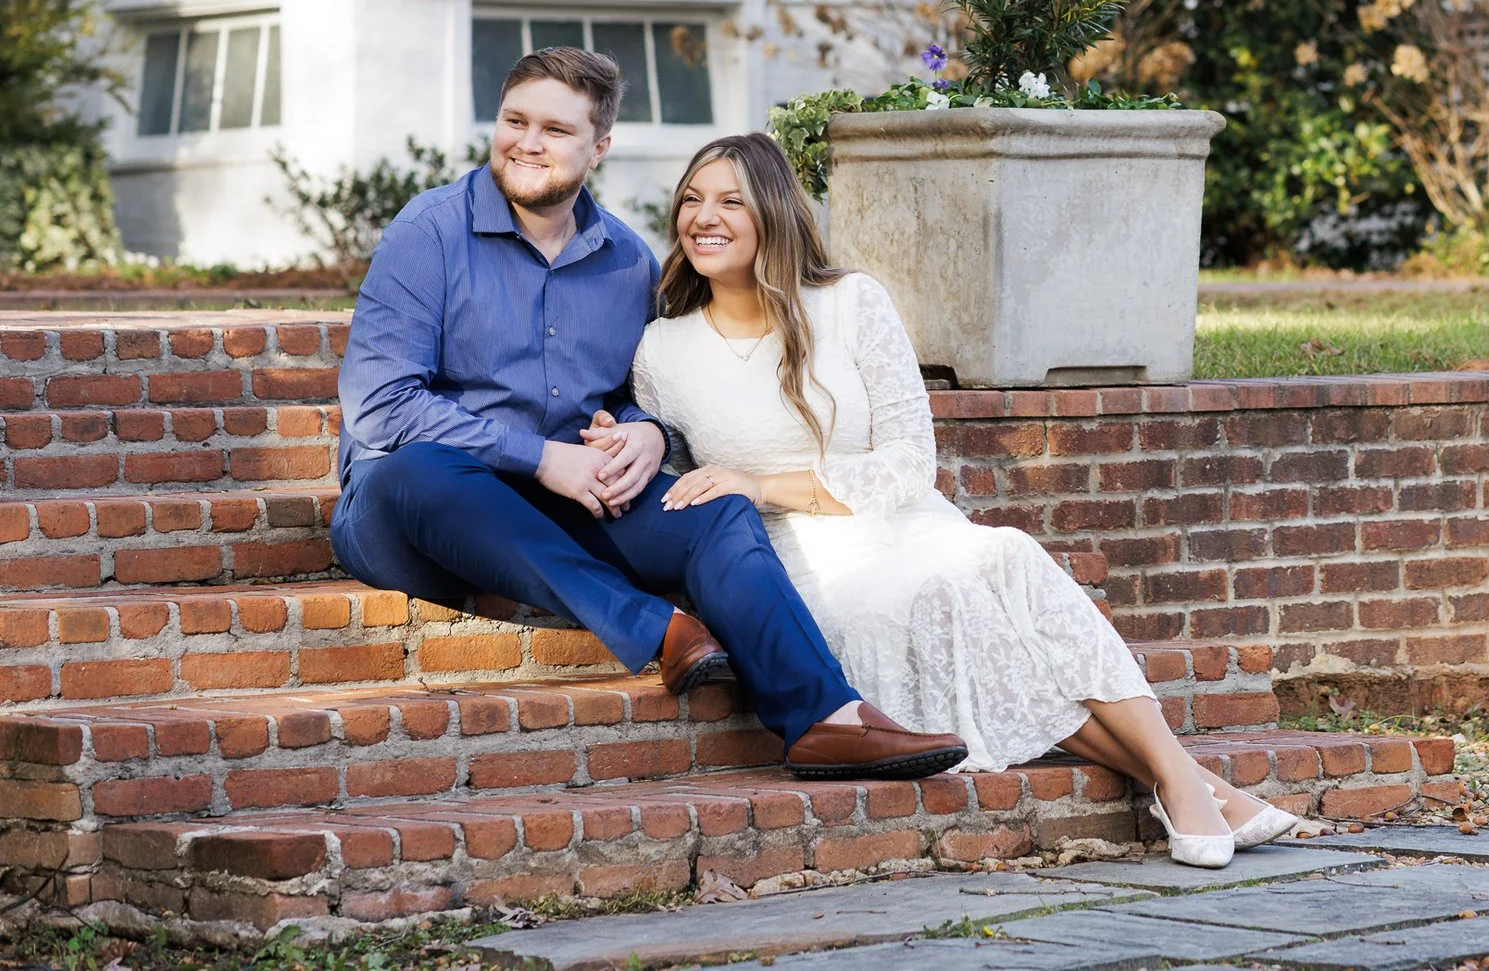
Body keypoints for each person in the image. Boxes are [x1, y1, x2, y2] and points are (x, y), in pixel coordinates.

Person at [629, 132, 1301, 869]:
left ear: (774, 211)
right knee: (957, 593)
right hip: (801, 559)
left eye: (730, 199)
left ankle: (1177, 777)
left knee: (1004, 550)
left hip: (905, 520)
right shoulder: (663, 350)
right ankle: (1191, 781)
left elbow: (912, 461)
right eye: (692, 199)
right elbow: (676, 477)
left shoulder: (851, 301)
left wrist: (763, 479)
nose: (704, 216)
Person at [330, 45, 968, 781]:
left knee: (718, 508)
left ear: (599, 148)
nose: (527, 142)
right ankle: (658, 626)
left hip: (556, 503)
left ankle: (825, 717)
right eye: (514, 120)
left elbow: (629, 393)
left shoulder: (626, 263)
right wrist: (543, 456)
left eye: (555, 130)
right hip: (407, 513)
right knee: (420, 467)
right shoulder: (429, 233)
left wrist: (643, 429)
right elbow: (382, 408)